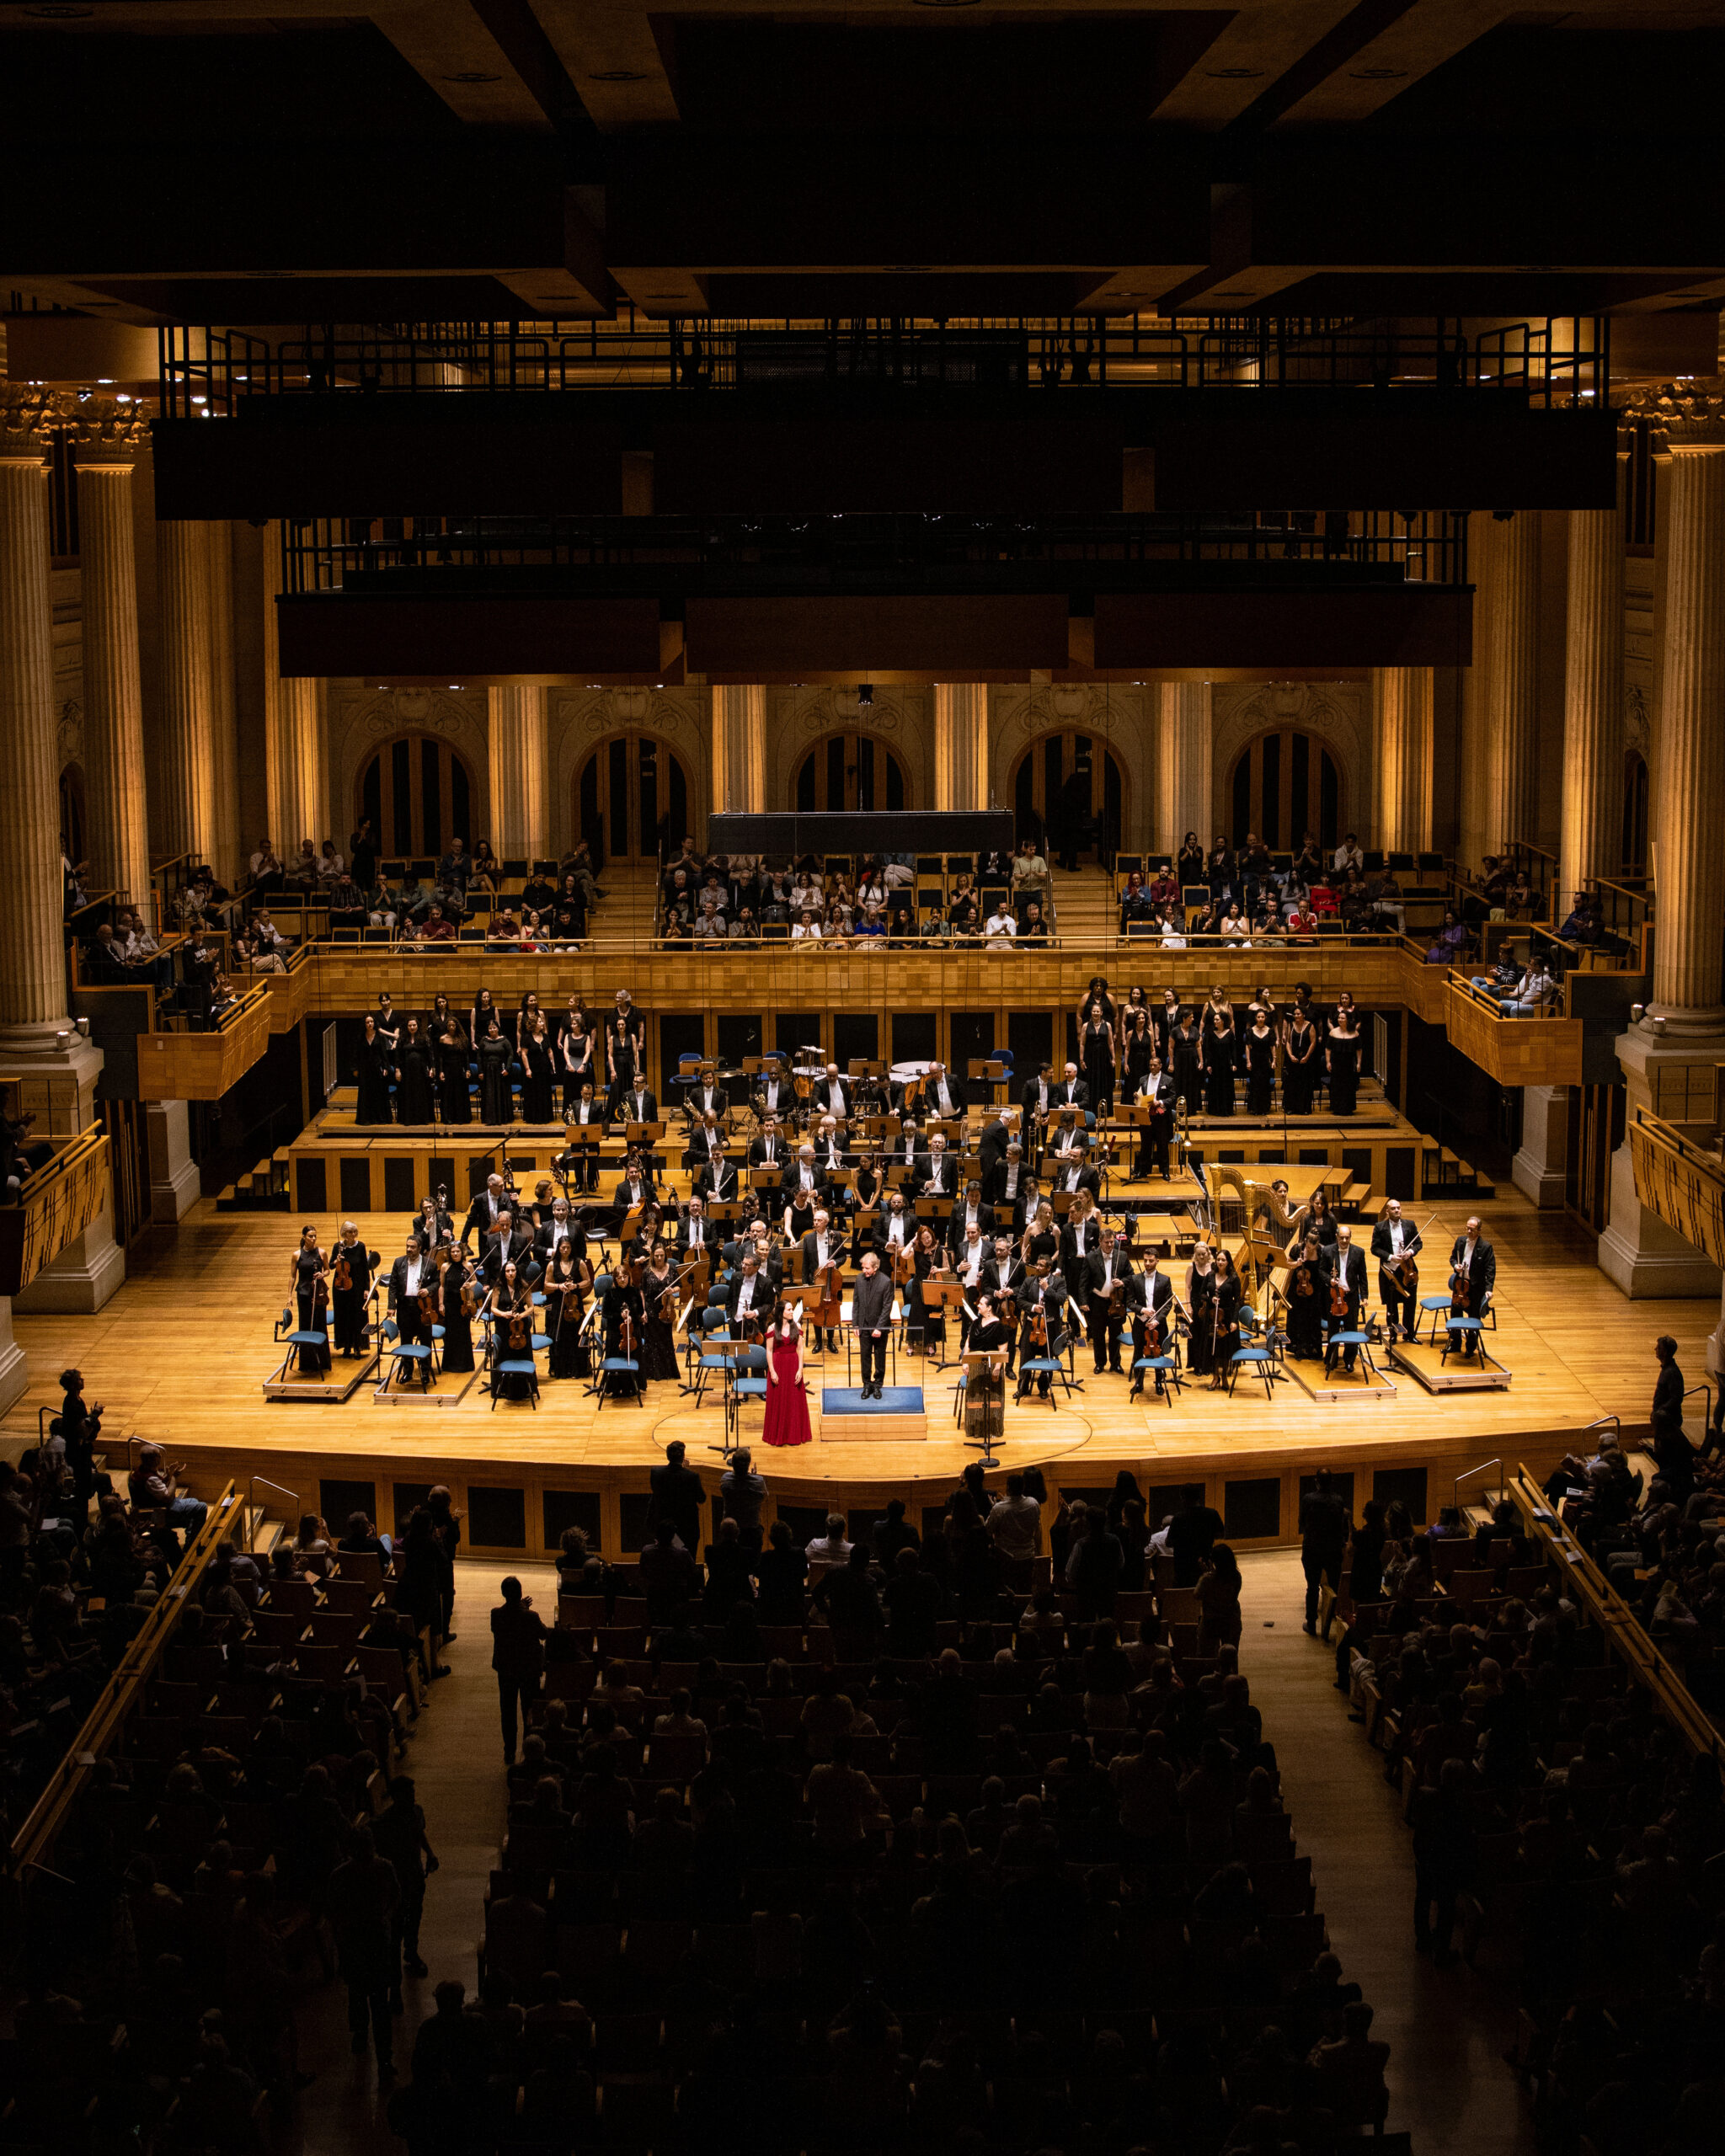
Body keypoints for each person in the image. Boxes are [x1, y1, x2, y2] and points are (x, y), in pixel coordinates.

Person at [329, 1825, 401, 2079]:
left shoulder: (340, 1874)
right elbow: (395, 1897)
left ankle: (361, 2035)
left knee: (358, 1993)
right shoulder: (384, 1867)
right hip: (374, 1940)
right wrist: (386, 1919)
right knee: (377, 2000)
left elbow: (335, 1913)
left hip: (355, 1941)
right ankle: (383, 2057)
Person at [491, 1576, 547, 1766]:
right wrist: (524, 1608)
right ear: (521, 1593)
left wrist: (520, 1606)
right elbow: (544, 1634)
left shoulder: (496, 1614)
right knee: (528, 1710)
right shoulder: (530, 1616)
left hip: (506, 1669)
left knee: (507, 1711)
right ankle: (527, 1748)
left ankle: (509, 1752)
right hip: (528, 1669)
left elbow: (508, 1617)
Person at [1299, 1469, 1351, 1640]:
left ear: (1316, 1481)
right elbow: (1342, 1525)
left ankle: (1312, 1624)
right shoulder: (1338, 1500)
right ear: (1332, 1482)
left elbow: (1302, 1522)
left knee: (1312, 1587)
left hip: (1312, 1548)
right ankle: (1335, 1624)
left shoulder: (1308, 1499)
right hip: (1332, 1550)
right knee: (1335, 1587)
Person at [1370, 1198, 1423, 1342]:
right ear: (1387, 1211)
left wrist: (1410, 1252)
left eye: (1398, 1208)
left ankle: (1409, 1334)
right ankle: (1393, 1334)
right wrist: (1390, 1257)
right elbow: (1374, 1249)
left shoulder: (1409, 1225)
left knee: (1410, 1303)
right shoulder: (1380, 1227)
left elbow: (1418, 1244)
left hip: (1408, 1270)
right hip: (1390, 1270)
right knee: (1391, 1305)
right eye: (1393, 1208)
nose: (1397, 1211)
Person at [763, 1308, 813, 1448]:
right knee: (779, 1400)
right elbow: (769, 1350)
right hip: (778, 1366)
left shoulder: (797, 1326)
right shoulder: (772, 1327)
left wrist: (800, 1369)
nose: (792, 1311)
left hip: (792, 1365)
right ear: (781, 1313)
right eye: (789, 1309)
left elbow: (800, 1349)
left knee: (793, 1400)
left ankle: (794, 1434)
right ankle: (778, 1434)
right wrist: (772, 1371)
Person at [1446, 1214, 1495, 1351]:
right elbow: (1452, 1258)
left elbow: (1490, 1269)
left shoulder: (1485, 1247)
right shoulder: (1461, 1241)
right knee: (1455, 1313)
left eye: (1472, 1230)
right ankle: (1455, 1344)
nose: (1469, 1232)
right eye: (1467, 1228)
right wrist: (1456, 1266)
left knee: (1473, 1316)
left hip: (1475, 1287)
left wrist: (1489, 1288)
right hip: (1459, 1286)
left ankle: (1471, 1347)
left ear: (1479, 1231)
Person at [648, 1439, 706, 1550]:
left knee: (666, 1558)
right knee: (687, 1559)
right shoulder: (692, 1477)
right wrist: (687, 1471)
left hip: (664, 1527)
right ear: (683, 1456)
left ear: (667, 1456)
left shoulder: (656, 1473)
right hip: (687, 1529)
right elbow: (701, 1498)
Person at [852, 1247, 894, 1401]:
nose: (864, 1270)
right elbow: (856, 1302)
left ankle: (877, 1385)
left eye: (867, 1268)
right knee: (865, 1357)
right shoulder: (859, 1279)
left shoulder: (886, 1282)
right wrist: (855, 1324)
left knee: (879, 1356)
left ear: (875, 1267)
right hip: (864, 1325)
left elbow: (886, 1307)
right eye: (863, 1267)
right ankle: (866, 1384)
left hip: (879, 1328)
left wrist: (879, 1327)